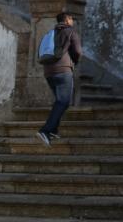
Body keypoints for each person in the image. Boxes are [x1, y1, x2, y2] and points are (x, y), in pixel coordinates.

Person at [37, 11, 82, 146]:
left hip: (48, 72)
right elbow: (78, 51)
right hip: (63, 71)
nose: (72, 21)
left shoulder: (50, 33)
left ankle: (53, 130)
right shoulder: (70, 32)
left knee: (59, 101)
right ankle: (45, 130)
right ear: (67, 20)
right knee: (63, 101)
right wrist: (74, 61)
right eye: (71, 19)